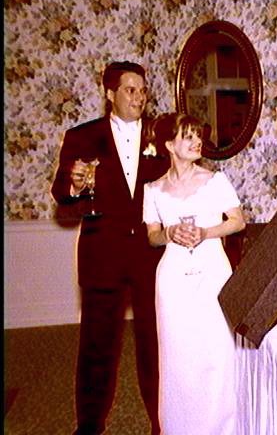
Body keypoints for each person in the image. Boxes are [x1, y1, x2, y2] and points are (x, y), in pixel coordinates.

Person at [51, 61, 168, 434]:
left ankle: (162, 422)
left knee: (155, 344)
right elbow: (61, 193)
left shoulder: (161, 136)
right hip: (102, 254)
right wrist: (74, 184)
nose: (139, 97)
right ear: (110, 94)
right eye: (130, 90)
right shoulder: (83, 137)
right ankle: (89, 425)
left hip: (150, 255)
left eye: (143, 90)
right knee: (96, 346)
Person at [142, 112, 246, 434]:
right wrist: (170, 232)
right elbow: (152, 236)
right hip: (173, 279)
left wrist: (205, 233)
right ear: (169, 145)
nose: (197, 141)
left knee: (216, 353)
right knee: (178, 357)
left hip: (213, 273)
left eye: (198, 135)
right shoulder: (153, 189)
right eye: (188, 136)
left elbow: (238, 222)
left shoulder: (215, 181)